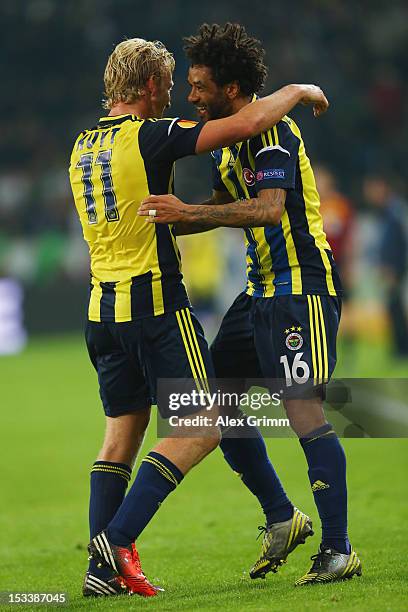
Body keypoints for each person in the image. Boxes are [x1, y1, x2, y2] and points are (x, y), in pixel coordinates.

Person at [68, 36, 328, 597]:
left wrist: (189, 215)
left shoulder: (82, 145)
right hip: (156, 307)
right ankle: (114, 543)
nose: (176, 94)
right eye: (169, 83)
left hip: (100, 310)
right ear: (148, 86)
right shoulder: (150, 134)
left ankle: (100, 576)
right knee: (205, 423)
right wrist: (298, 89)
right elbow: (243, 125)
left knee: (120, 438)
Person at [140, 23, 362, 586]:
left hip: (299, 289)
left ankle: (338, 549)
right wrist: (163, 226)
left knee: (304, 411)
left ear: (233, 88)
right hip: (259, 292)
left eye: (199, 86)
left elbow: (265, 210)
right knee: (212, 404)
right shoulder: (227, 137)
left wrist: (187, 214)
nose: (191, 97)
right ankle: (282, 516)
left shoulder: (274, 136)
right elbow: (221, 201)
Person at [363, 172, 408, 356]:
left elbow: (400, 242)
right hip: (393, 271)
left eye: (373, 189)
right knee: (394, 308)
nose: (370, 194)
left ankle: (402, 350)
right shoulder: (386, 211)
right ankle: (400, 350)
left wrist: (394, 268)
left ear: (382, 187)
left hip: (398, 271)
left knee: (398, 309)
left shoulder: (395, 211)